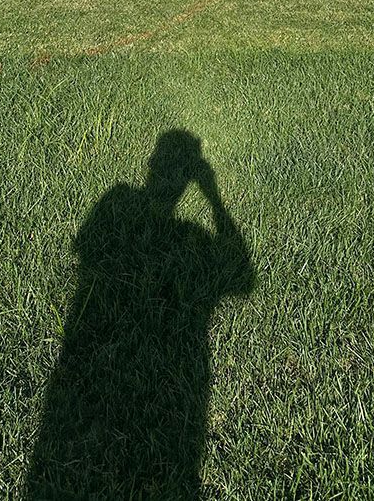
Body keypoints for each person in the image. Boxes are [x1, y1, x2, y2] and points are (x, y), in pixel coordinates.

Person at [26, 129, 255, 500]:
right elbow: (241, 276)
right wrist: (214, 199)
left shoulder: (119, 199)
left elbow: (85, 248)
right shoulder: (136, 206)